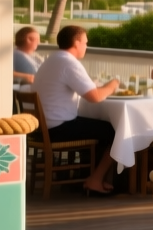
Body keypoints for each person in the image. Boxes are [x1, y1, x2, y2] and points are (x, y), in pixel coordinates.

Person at [33, 25, 121, 194]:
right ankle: (95, 180)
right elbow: (94, 97)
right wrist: (113, 85)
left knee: (98, 127)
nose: (86, 47)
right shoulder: (69, 62)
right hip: (58, 128)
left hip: (43, 127)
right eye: (85, 43)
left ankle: (87, 176)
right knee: (114, 131)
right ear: (76, 42)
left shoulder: (51, 60)